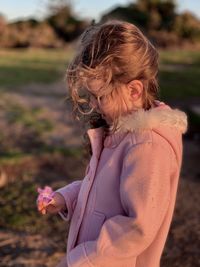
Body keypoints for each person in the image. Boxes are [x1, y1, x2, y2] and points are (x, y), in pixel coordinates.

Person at [37, 19, 188, 267]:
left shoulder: (147, 146)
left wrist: (81, 259)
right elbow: (99, 189)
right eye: (91, 96)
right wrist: (65, 198)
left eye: (101, 96)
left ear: (134, 91)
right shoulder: (120, 133)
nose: (95, 104)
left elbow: (137, 227)